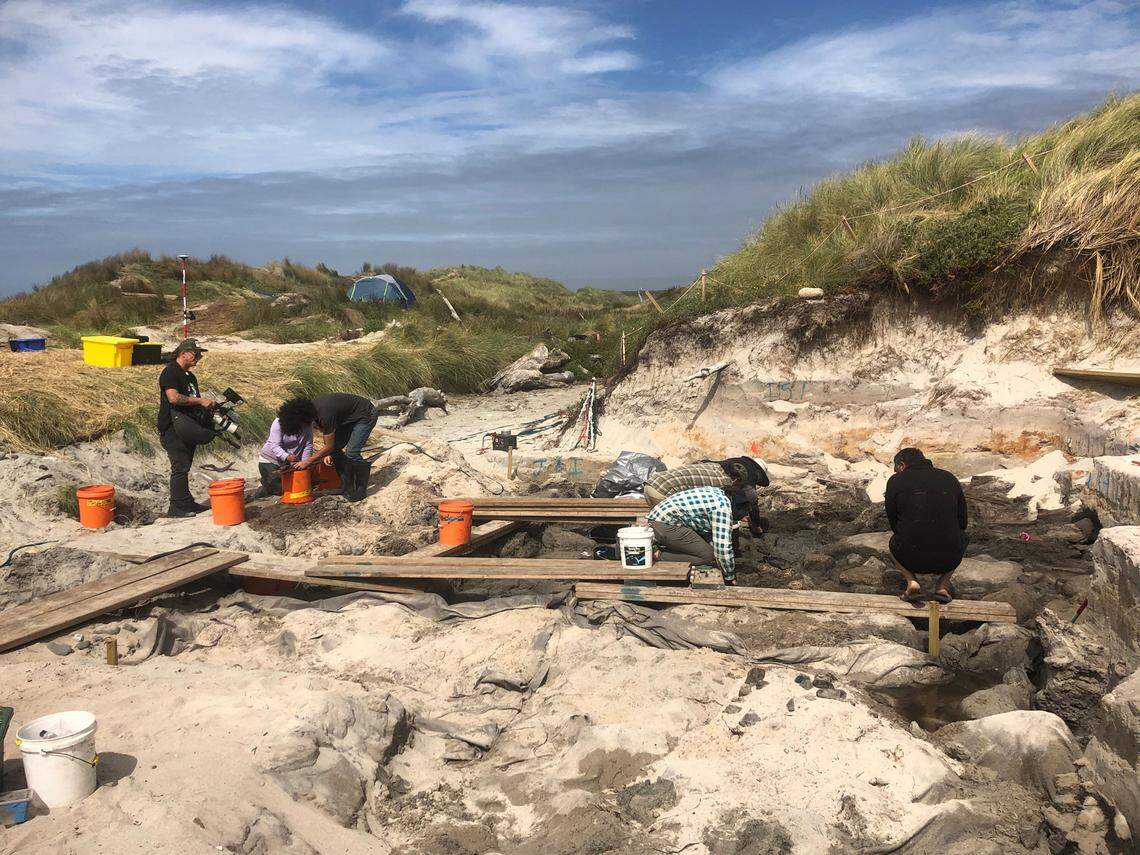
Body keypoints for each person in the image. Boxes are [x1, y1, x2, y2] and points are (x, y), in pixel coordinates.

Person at [885, 447, 969, 604]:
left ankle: (912, 583)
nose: (896, 473)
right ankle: (942, 587)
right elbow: (963, 521)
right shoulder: (949, 478)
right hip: (948, 558)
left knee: (893, 541)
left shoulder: (896, 481)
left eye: (896, 469)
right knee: (963, 538)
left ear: (901, 465)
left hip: (910, 555)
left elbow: (893, 523)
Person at [157, 339, 215, 517]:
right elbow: (174, 398)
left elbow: (191, 399)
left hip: (187, 425)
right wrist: (200, 401)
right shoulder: (170, 372)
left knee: (185, 465)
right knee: (180, 466)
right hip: (172, 427)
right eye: (196, 353)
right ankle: (177, 508)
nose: (199, 357)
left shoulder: (190, 376)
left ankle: (187, 502)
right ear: (184, 353)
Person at [644, 457, 769, 536]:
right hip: (663, 492)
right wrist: (756, 525)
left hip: (652, 483)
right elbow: (751, 500)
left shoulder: (723, 465)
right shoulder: (728, 480)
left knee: (663, 526)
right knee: (679, 531)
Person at [294, 393, 378, 502]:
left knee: (352, 453)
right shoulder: (314, 412)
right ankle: (346, 486)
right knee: (334, 451)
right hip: (349, 419)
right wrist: (328, 453)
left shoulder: (324, 415)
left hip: (366, 415)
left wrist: (307, 461)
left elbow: (328, 446)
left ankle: (360, 491)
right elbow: (329, 444)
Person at [646, 485, 738, 584]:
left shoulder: (718, 492)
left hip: (659, 518)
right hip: (665, 525)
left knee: (706, 547)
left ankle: (667, 548)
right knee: (708, 556)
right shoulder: (722, 508)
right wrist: (729, 576)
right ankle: (658, 555)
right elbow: (722, 548)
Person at [257, 399, 317, 497]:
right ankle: (265, 484)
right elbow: (275, 446)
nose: (305, 425)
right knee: (282, 490)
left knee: (301, 486)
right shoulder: (278, 423)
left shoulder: (307, 424)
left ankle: (270, 481)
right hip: (269, 461)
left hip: (288, 464)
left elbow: (308, 445)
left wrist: (305, 463)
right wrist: (287, 456)